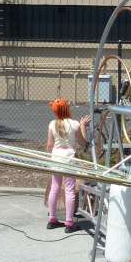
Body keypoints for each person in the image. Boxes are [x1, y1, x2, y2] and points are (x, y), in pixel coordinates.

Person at [46, 98, 90, 233]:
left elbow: (49, 145)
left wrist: (53, 156)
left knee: (55, 187)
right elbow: (83, 143)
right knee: (69, 189)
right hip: (69, 158)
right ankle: (69, 222)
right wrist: (83, 126)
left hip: (56, 157)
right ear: (67, 109)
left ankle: (52, 219)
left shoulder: (52, 124)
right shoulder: (74, 124)